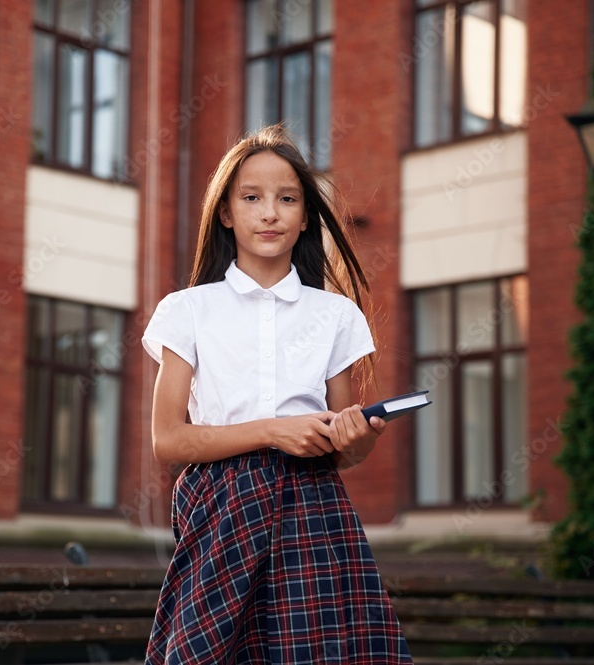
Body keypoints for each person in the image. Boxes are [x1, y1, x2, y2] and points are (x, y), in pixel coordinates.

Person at [141, 124, 413, 664]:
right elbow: (168, 441)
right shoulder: (188, 309)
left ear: (306, 214)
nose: (270, 213)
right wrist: (271, 431)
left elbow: (345, 450)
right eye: (251, 198)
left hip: (313, 506)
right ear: (226, 213)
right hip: (220, 506)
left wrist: (357, 436)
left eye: (287, 199)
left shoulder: (336, 315)